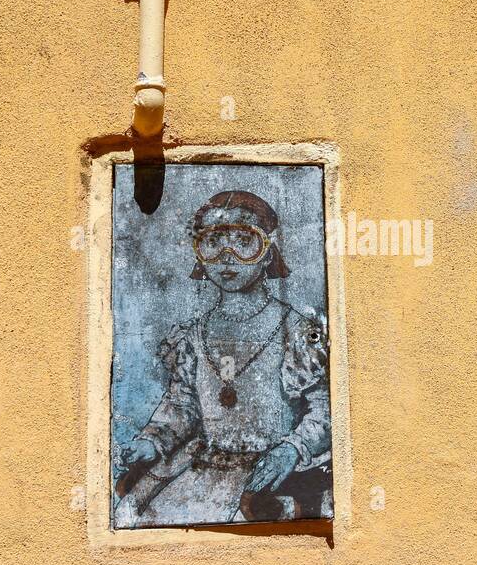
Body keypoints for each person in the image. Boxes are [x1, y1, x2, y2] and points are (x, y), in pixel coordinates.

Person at [115, 190, 331, 525]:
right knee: (134, 515)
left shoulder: (296, 331)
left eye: (244, 241)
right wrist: (152, 442)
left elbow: (324, 409)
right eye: (213, 242)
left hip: (267, 473)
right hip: (204, 467)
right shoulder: (193, 334)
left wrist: (291, 449)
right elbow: (182, 405)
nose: (226, 257)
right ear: (199, 253)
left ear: (266, 252)